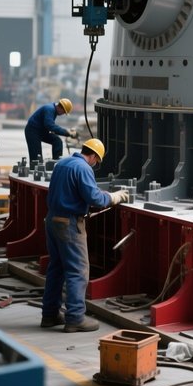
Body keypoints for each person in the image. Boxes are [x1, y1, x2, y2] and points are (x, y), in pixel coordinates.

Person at [40, 138, 129, 332]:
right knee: (77, 271)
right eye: (97, 161)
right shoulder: (83, 168)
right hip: (69, 223)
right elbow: (95, 198)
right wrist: (113, 197)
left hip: (52, 220)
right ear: (94, 156)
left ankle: (50, 314)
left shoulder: (63, 163)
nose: (95, 164)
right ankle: (75, 318)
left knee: (56, 268)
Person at [25, 98, 78, 163]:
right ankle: (35, 167)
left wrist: (66, 131)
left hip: (41, 131)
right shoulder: (50, 109)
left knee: (57, 141)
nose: (63, 114)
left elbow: (51, 126)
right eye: (64, 112)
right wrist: (66, 132)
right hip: (32, 131)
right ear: (61, 108)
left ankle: (57, 163)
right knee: (36, 157)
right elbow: (50, 126)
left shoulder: (53, 109)